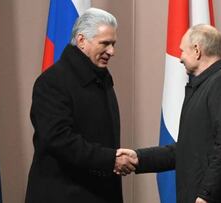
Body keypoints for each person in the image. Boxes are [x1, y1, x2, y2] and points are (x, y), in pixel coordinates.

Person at [117, 24, 221, 203]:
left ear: (197, 50)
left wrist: (206, 195)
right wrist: (139, 158)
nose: (180, 58)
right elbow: (187, 150)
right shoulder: (204, 87)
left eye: (182, 51)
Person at [25, 8, 137, 203]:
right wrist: (110, 159)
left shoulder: (101, 80)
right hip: (63, 195)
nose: (112, 51)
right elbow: (58, 139)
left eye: (113, 44)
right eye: (105, 43)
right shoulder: (52, 82)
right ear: (81, 40)